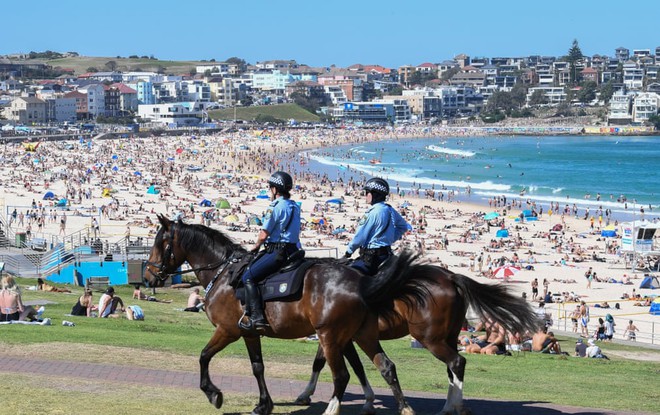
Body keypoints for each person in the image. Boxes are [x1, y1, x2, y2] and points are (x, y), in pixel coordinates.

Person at [240, 171, 301, 331]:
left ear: (275, 190)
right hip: (294, 251)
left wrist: (256, 246)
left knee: (248, 276)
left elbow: (264, 234)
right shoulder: (295, 206)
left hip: (277, 252)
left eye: (270, 188)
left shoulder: (275, 207)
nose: (270, 192)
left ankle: (257, 317)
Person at [343, 177, 412, 275]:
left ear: (373, 194)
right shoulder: (390, 210)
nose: (365, 196)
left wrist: (349, 252)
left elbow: (360, 236)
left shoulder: (372, 213)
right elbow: (403, 226)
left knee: (348, 277)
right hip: (387, 256)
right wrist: (391, 238)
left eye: (367, 193)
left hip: (371, 258)